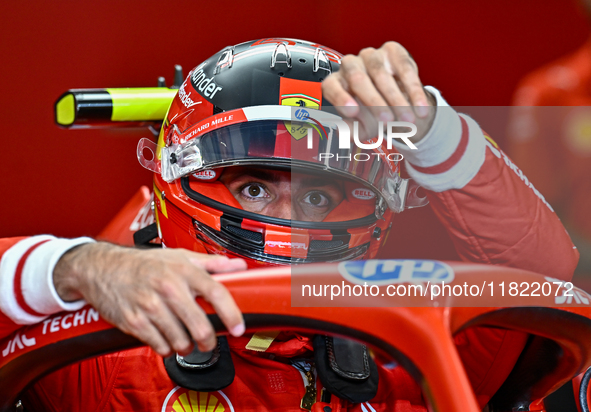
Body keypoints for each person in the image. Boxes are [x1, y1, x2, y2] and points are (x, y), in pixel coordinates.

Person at [0, 38, 579, 411]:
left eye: (319, 198)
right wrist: (81, 267)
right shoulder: (95, 355)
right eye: (254, 188)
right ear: (171, 176)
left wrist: (434, 130)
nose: (286, 225)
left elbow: (544, 278)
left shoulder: (411, 356)